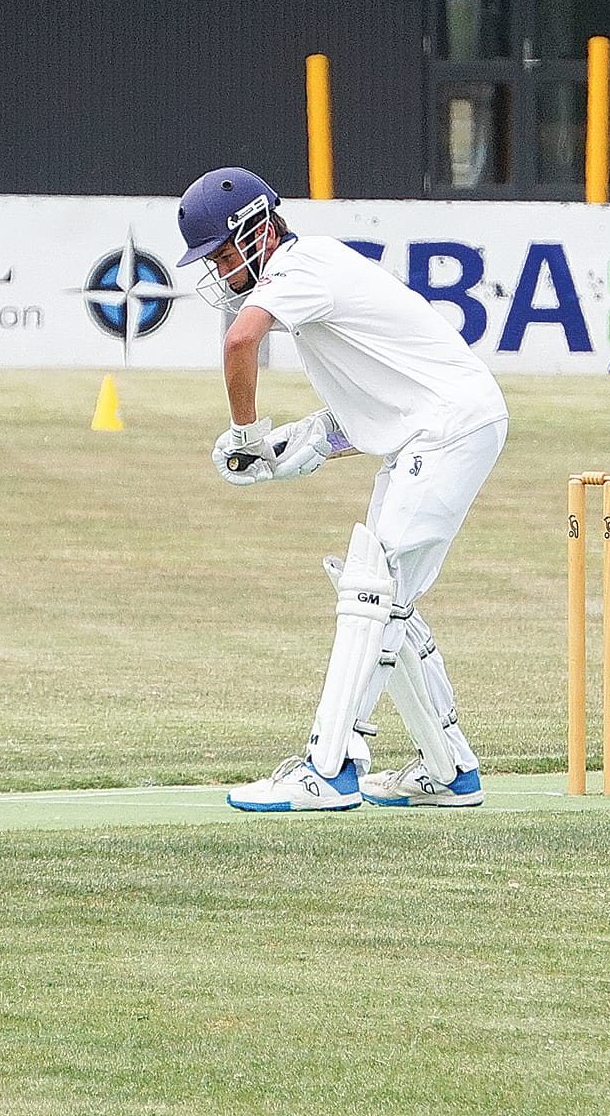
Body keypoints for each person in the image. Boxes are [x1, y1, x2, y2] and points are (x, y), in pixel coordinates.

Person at [175, 167, 510, 810]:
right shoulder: (313, 280)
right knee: (386, 598)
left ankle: (329, 768)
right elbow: (377, 408)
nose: (218, 270)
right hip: (439, 429)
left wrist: (246, 432)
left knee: (370, 592)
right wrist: (298, 445)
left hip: (449, 429)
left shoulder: (301, 267)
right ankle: (449, 770)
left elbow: (240, 341)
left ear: (258, 229)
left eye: (221, 254)